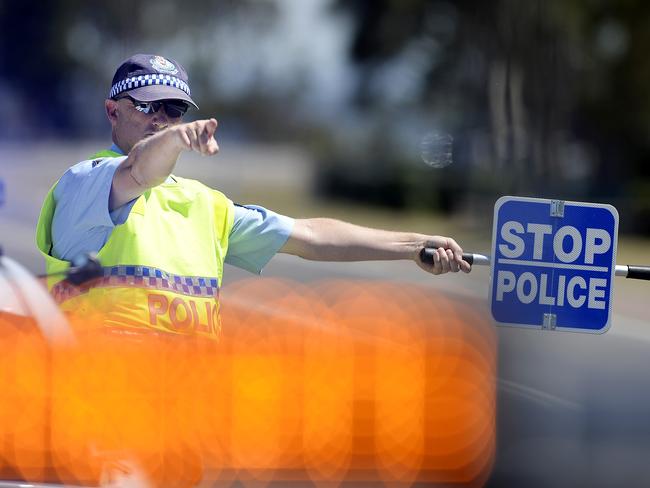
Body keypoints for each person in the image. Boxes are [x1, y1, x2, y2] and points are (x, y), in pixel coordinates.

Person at [36, 54, 471, 338]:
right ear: (112, 110)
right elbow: (136, 170)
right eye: (148, 107)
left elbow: (311, 237)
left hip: (183, 426)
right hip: (94, 408)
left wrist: (414, 245)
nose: (162, 120)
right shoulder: (85, 182)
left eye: (174, 110)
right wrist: (177, 139)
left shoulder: (205, 205)